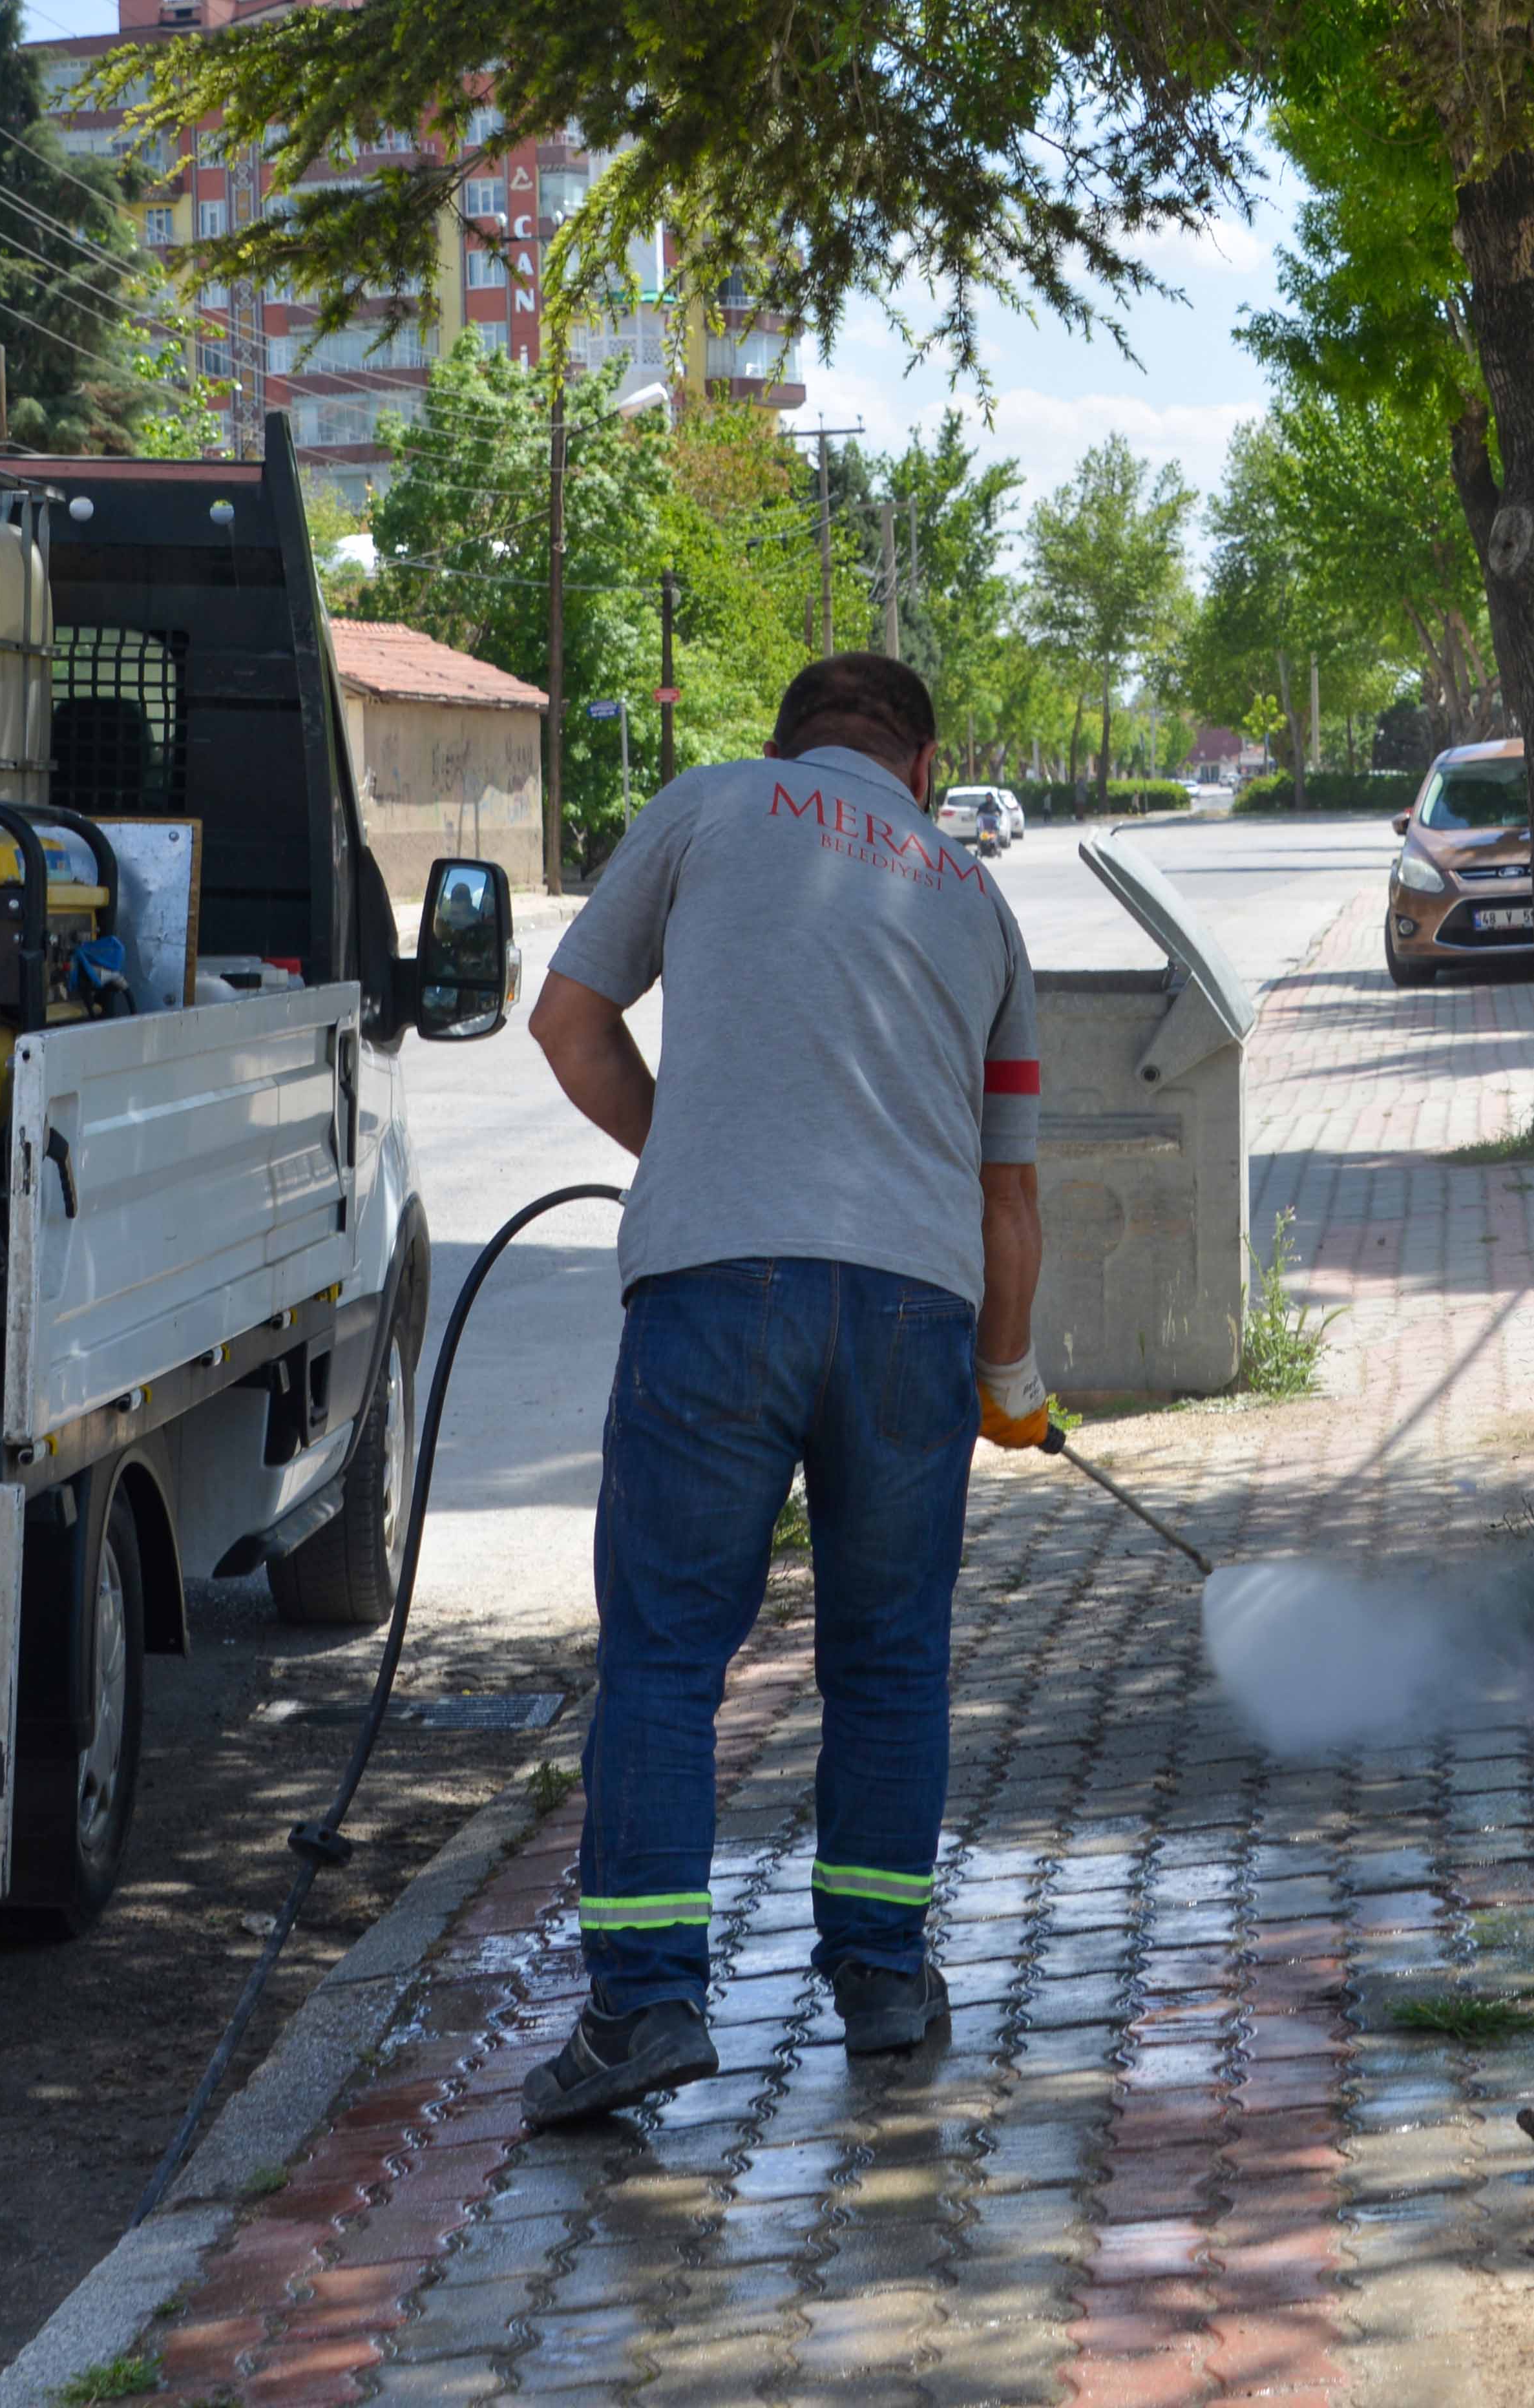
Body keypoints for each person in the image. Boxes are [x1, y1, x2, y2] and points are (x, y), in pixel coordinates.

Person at [513, 649, 1051, 2124]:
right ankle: (881, 1979)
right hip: (915, 1311)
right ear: (924, 768)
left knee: (667, 1658)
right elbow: (1009, 1193)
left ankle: (643, 2007)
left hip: (715, 1297)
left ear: (787, 744)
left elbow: (566, 1023)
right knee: (890, 1658)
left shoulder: (710, 805)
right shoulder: (976, 893)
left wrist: (698, 1156)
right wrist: (1008, 1373)